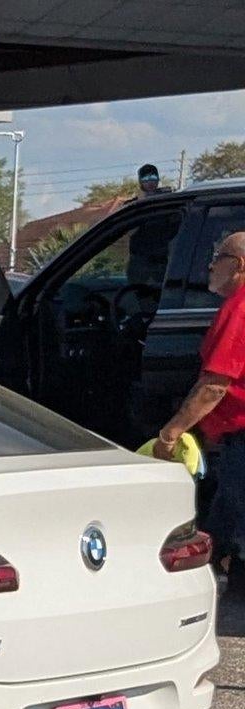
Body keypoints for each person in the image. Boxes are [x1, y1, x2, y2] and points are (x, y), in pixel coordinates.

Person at [155, 230, 245, 581]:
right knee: (224, 520)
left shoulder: (238, 309)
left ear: (238, 265)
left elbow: (214, 386)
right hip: (233, 439)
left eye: (217, 258)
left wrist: (170, 434)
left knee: (234, 520)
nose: (210, 266)